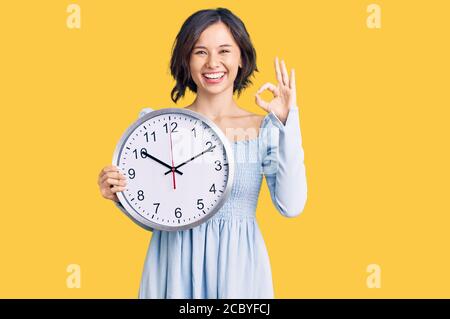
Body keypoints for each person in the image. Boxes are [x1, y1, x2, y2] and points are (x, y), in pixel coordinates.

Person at [97, 7, 307, 298]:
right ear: (186, 58)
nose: (213, 63)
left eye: (224, 51)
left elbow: (291, 204)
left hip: (239, 272)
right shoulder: (158, 126)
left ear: (241, 57)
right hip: (172, 267)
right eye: (200, 52)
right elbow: (156, 211)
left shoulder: (264, 129)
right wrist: (119, 193)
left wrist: (287, 122)